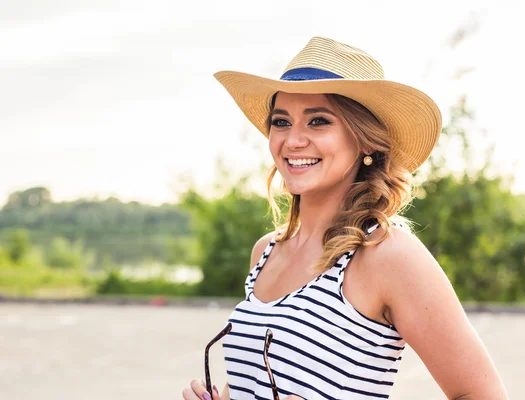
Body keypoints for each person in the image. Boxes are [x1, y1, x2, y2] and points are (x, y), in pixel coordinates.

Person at [182, 36, 508, 400]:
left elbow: (482, 394)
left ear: (366, 140)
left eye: (318, 121)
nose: (293, 140)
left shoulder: (388, 254)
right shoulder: (266, 252)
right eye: (281, 121)